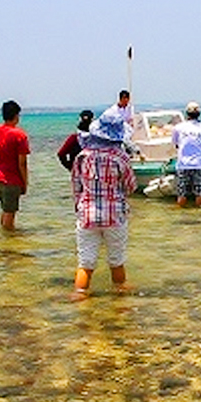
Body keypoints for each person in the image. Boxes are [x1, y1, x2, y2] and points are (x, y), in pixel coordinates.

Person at [71, 108, 138, 300]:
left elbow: (76, 187)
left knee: (85, 263)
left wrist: (80, 207)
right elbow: (131, 186)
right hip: (114, 215)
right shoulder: (121, 157)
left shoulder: (83, 156)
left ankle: (80, 295)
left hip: (87, 215)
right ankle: (120, 298)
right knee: (116, 261)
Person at [0, 100, 31, 231]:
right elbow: (22, 163)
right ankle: (8, 244)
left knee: (5, 209)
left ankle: (3, 240)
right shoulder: (19, 135)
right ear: (17, 115)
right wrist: (25, 183)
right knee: (10, 213)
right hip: (10, 180)